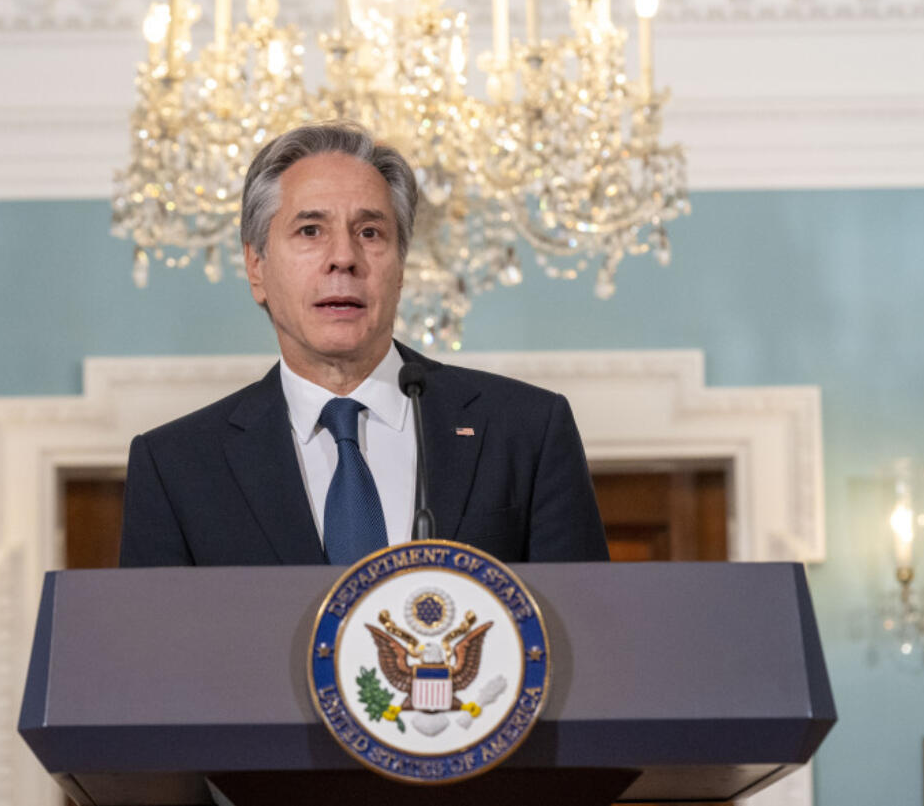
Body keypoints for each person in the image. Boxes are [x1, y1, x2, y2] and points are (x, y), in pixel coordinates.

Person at [119, 122, 609, 567]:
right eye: (310, 231)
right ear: (256, 267)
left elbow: (586, 637)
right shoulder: (175, 467)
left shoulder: (526, 431)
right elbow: (154, 657)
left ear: (401, 266)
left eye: (370, 232)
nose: (343, 258)